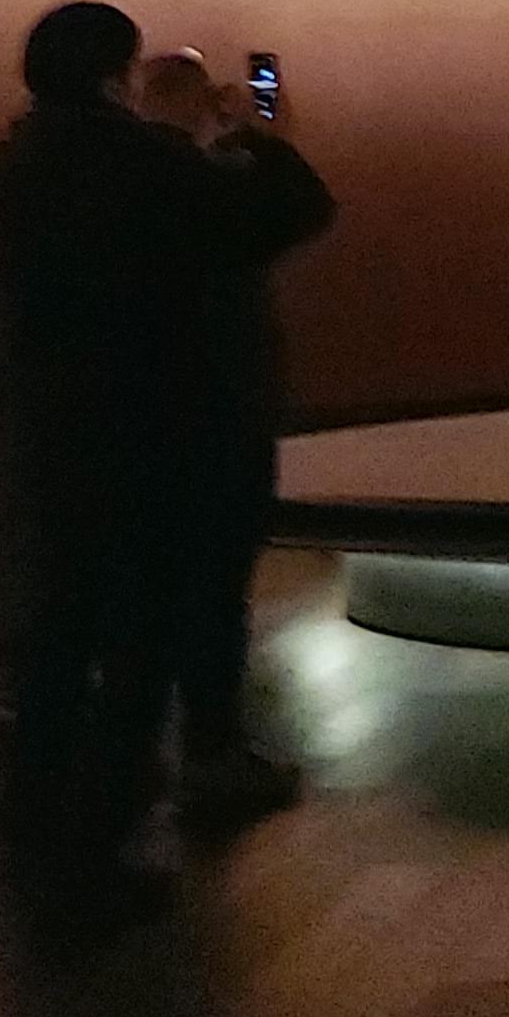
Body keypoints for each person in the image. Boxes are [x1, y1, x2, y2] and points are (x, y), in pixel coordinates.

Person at [0, 0, 337, 919]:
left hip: (59, 437)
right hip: (152, 438)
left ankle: (35, 808)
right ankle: (98, 849)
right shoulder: (137, 163)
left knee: (61, 633)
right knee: (141, 643)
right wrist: (259, 140)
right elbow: (289, 213)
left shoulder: (18, 162)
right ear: (113, 73)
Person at [136, 51, 339, 823]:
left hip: (127, 418)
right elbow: (306, 207)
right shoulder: (207, 185)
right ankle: (211, 750)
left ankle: (132, 755)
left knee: (140, 588)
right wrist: (258, 137)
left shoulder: (90, 183)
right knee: (215, 586)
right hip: (217, 412)